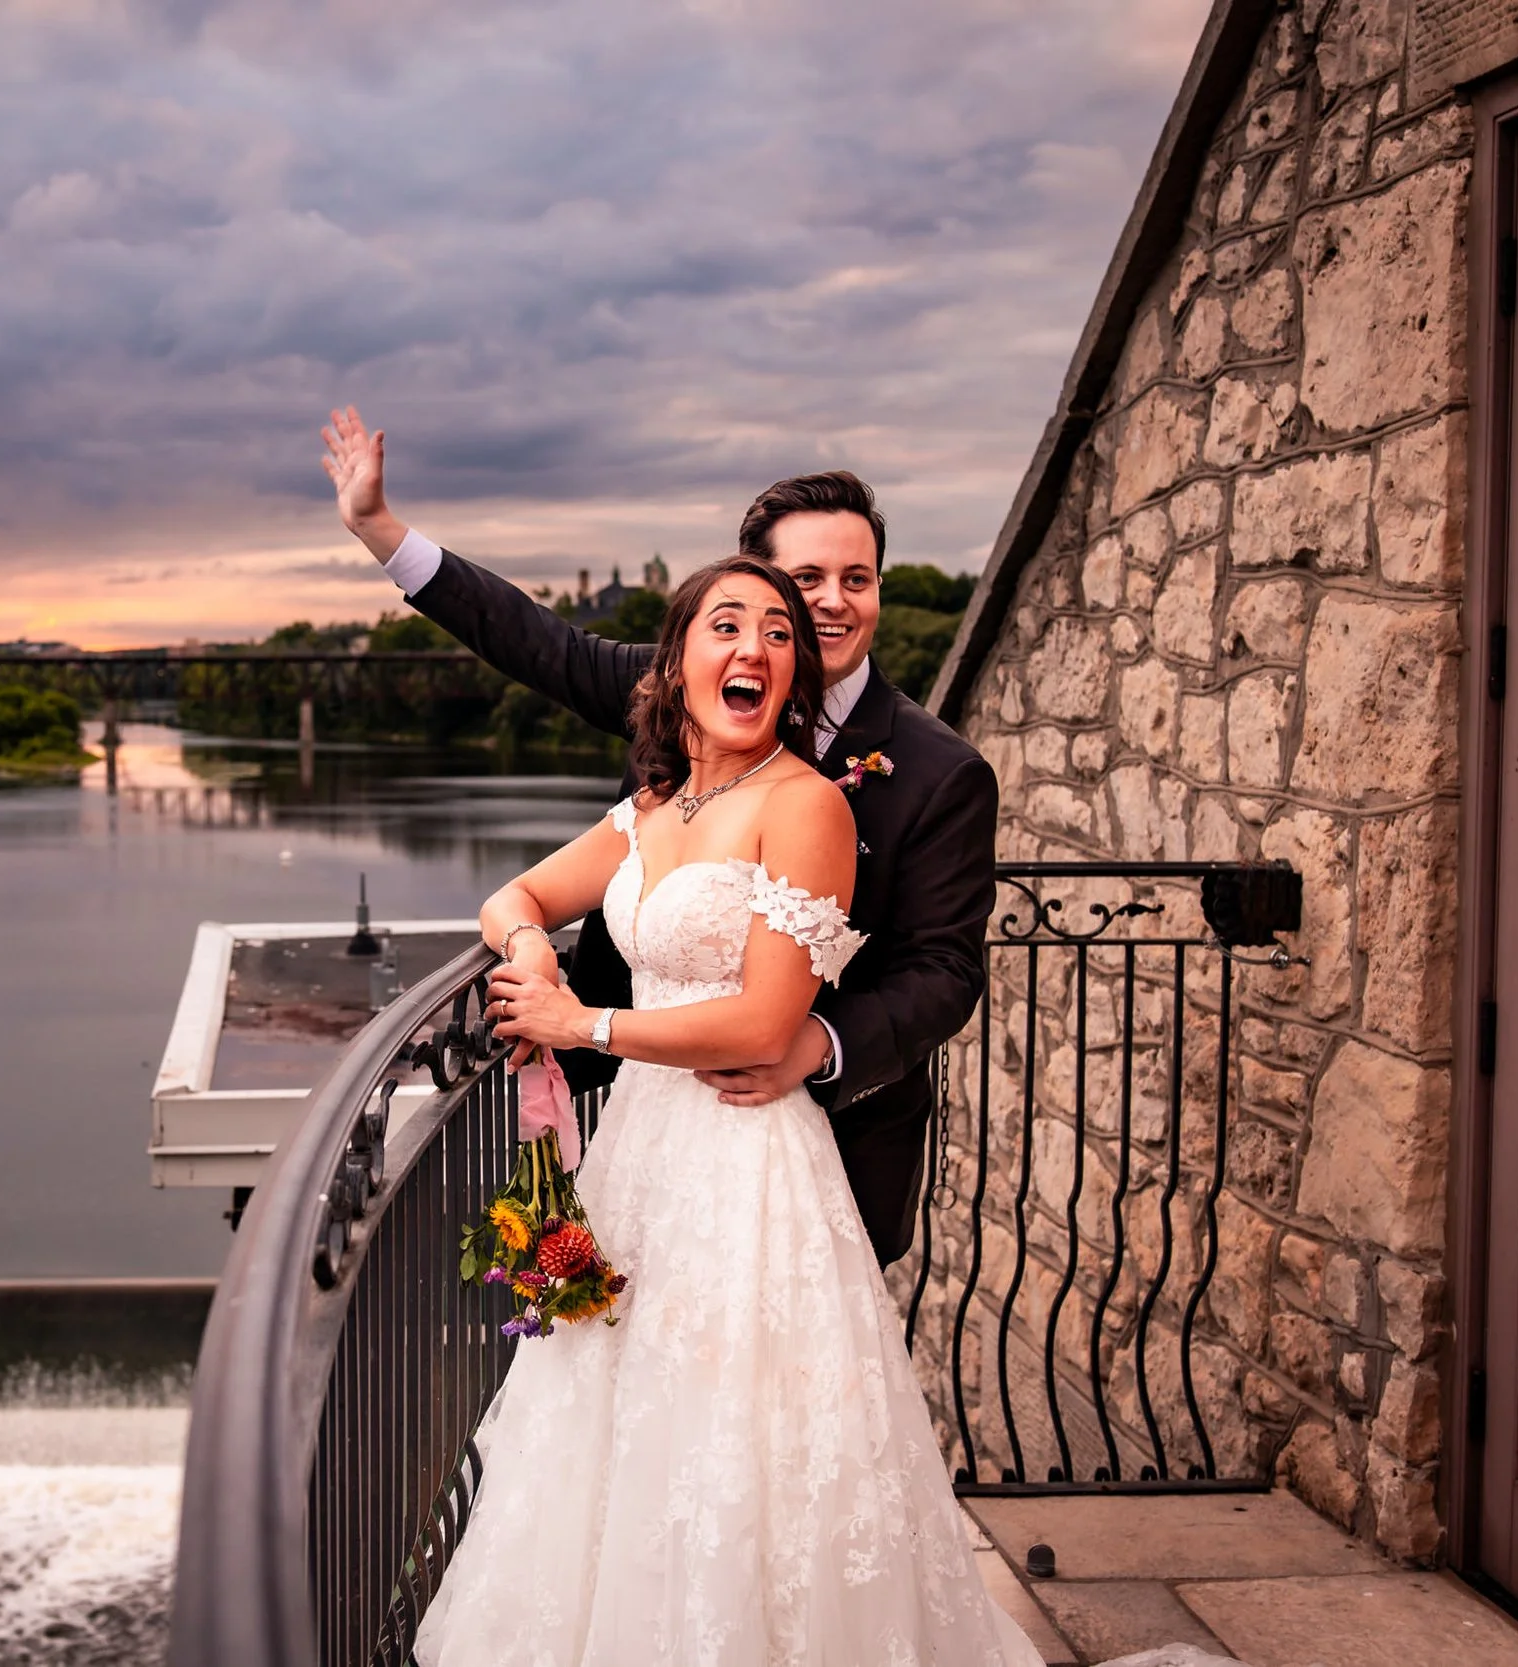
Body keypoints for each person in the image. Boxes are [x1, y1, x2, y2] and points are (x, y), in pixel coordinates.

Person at [407, 553, 1040, 1664]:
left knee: (737, 1438)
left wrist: (582, 1026)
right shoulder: (654, 805)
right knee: (617, 1420)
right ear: (679, 659)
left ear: (791, 678)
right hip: (640, 1159)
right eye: (726, 625)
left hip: (747, 1161)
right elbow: (512, 895)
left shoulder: (806, 807)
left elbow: (760, 1022)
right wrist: (529, 958)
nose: (752, 648)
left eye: (778, 636)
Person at [321, 405, 994, 1265]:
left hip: (838, 1137)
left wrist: (814, 1048)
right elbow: (535, 642)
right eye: (808, 577)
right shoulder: (680, 689)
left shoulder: (942, 771)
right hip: (658, 1125)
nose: (832, 600)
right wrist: (381, 531)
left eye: (856, 578)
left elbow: (945, 969)